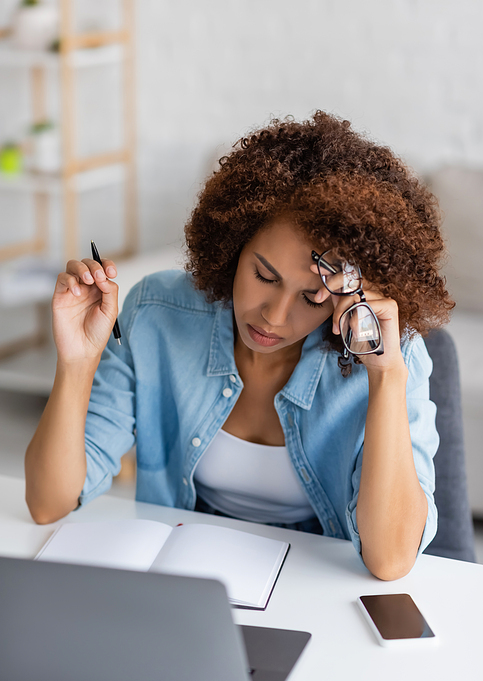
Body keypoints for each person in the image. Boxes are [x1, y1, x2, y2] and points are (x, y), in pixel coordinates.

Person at [25, 111, 453, 581]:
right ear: (233, 247)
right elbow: (48, 503)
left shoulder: (390, 353)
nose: (273, 315)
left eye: (312, 297)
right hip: (186, 589)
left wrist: (386, 376)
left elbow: (390, 560)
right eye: (263, 276)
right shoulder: (158, 314)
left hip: (314, 589)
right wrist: (78, 362)